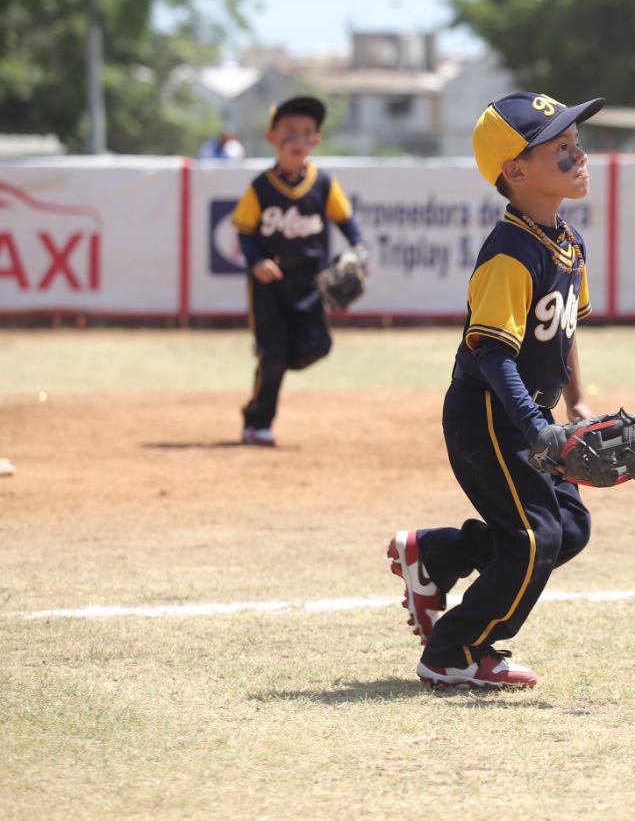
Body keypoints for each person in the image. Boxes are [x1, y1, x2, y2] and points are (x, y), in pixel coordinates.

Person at [387, 91, 604, 690]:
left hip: (531, 414)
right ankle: (454, 652)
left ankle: (440, 556)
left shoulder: (567, 241)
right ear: (517, 171)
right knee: (534, 539)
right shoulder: (511, 252)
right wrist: (535, 429)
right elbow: (491, 353)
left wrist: (578, 402)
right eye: (561, 148)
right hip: (488, 416)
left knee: (569, 528)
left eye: (576, 142)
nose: (579, 155)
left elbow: (564, 331)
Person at [230, 96, 366, 447]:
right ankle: (257, 421)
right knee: (274, 355)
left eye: (306, 133)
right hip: (269, 282)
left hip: (309, 281)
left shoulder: (323, 183)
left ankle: (269, 362)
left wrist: (359, 247)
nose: (297, 140)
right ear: (271, 137)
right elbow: (244, 232)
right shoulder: (261, 187)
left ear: (315, 141)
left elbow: (346, 221)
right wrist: (256, 261)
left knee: (318, 346)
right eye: (288, 132)